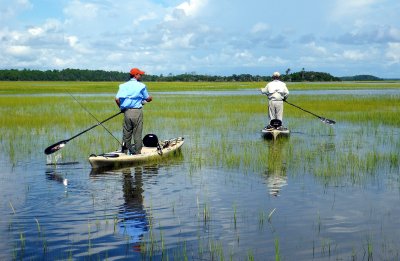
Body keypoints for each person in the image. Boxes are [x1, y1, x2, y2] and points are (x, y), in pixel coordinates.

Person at [115, 68, 153, 154]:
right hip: (137, 112)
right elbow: (147, 98)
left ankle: (124, 152)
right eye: (140, 74)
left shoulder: (123, 85)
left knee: (126, 134)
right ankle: (137, 153)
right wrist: (150, 98)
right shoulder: (141, 86)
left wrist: (122, 108)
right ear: (136, 75)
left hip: (126, 112)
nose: (141, 76)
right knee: (137, 134)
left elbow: (117, 99)